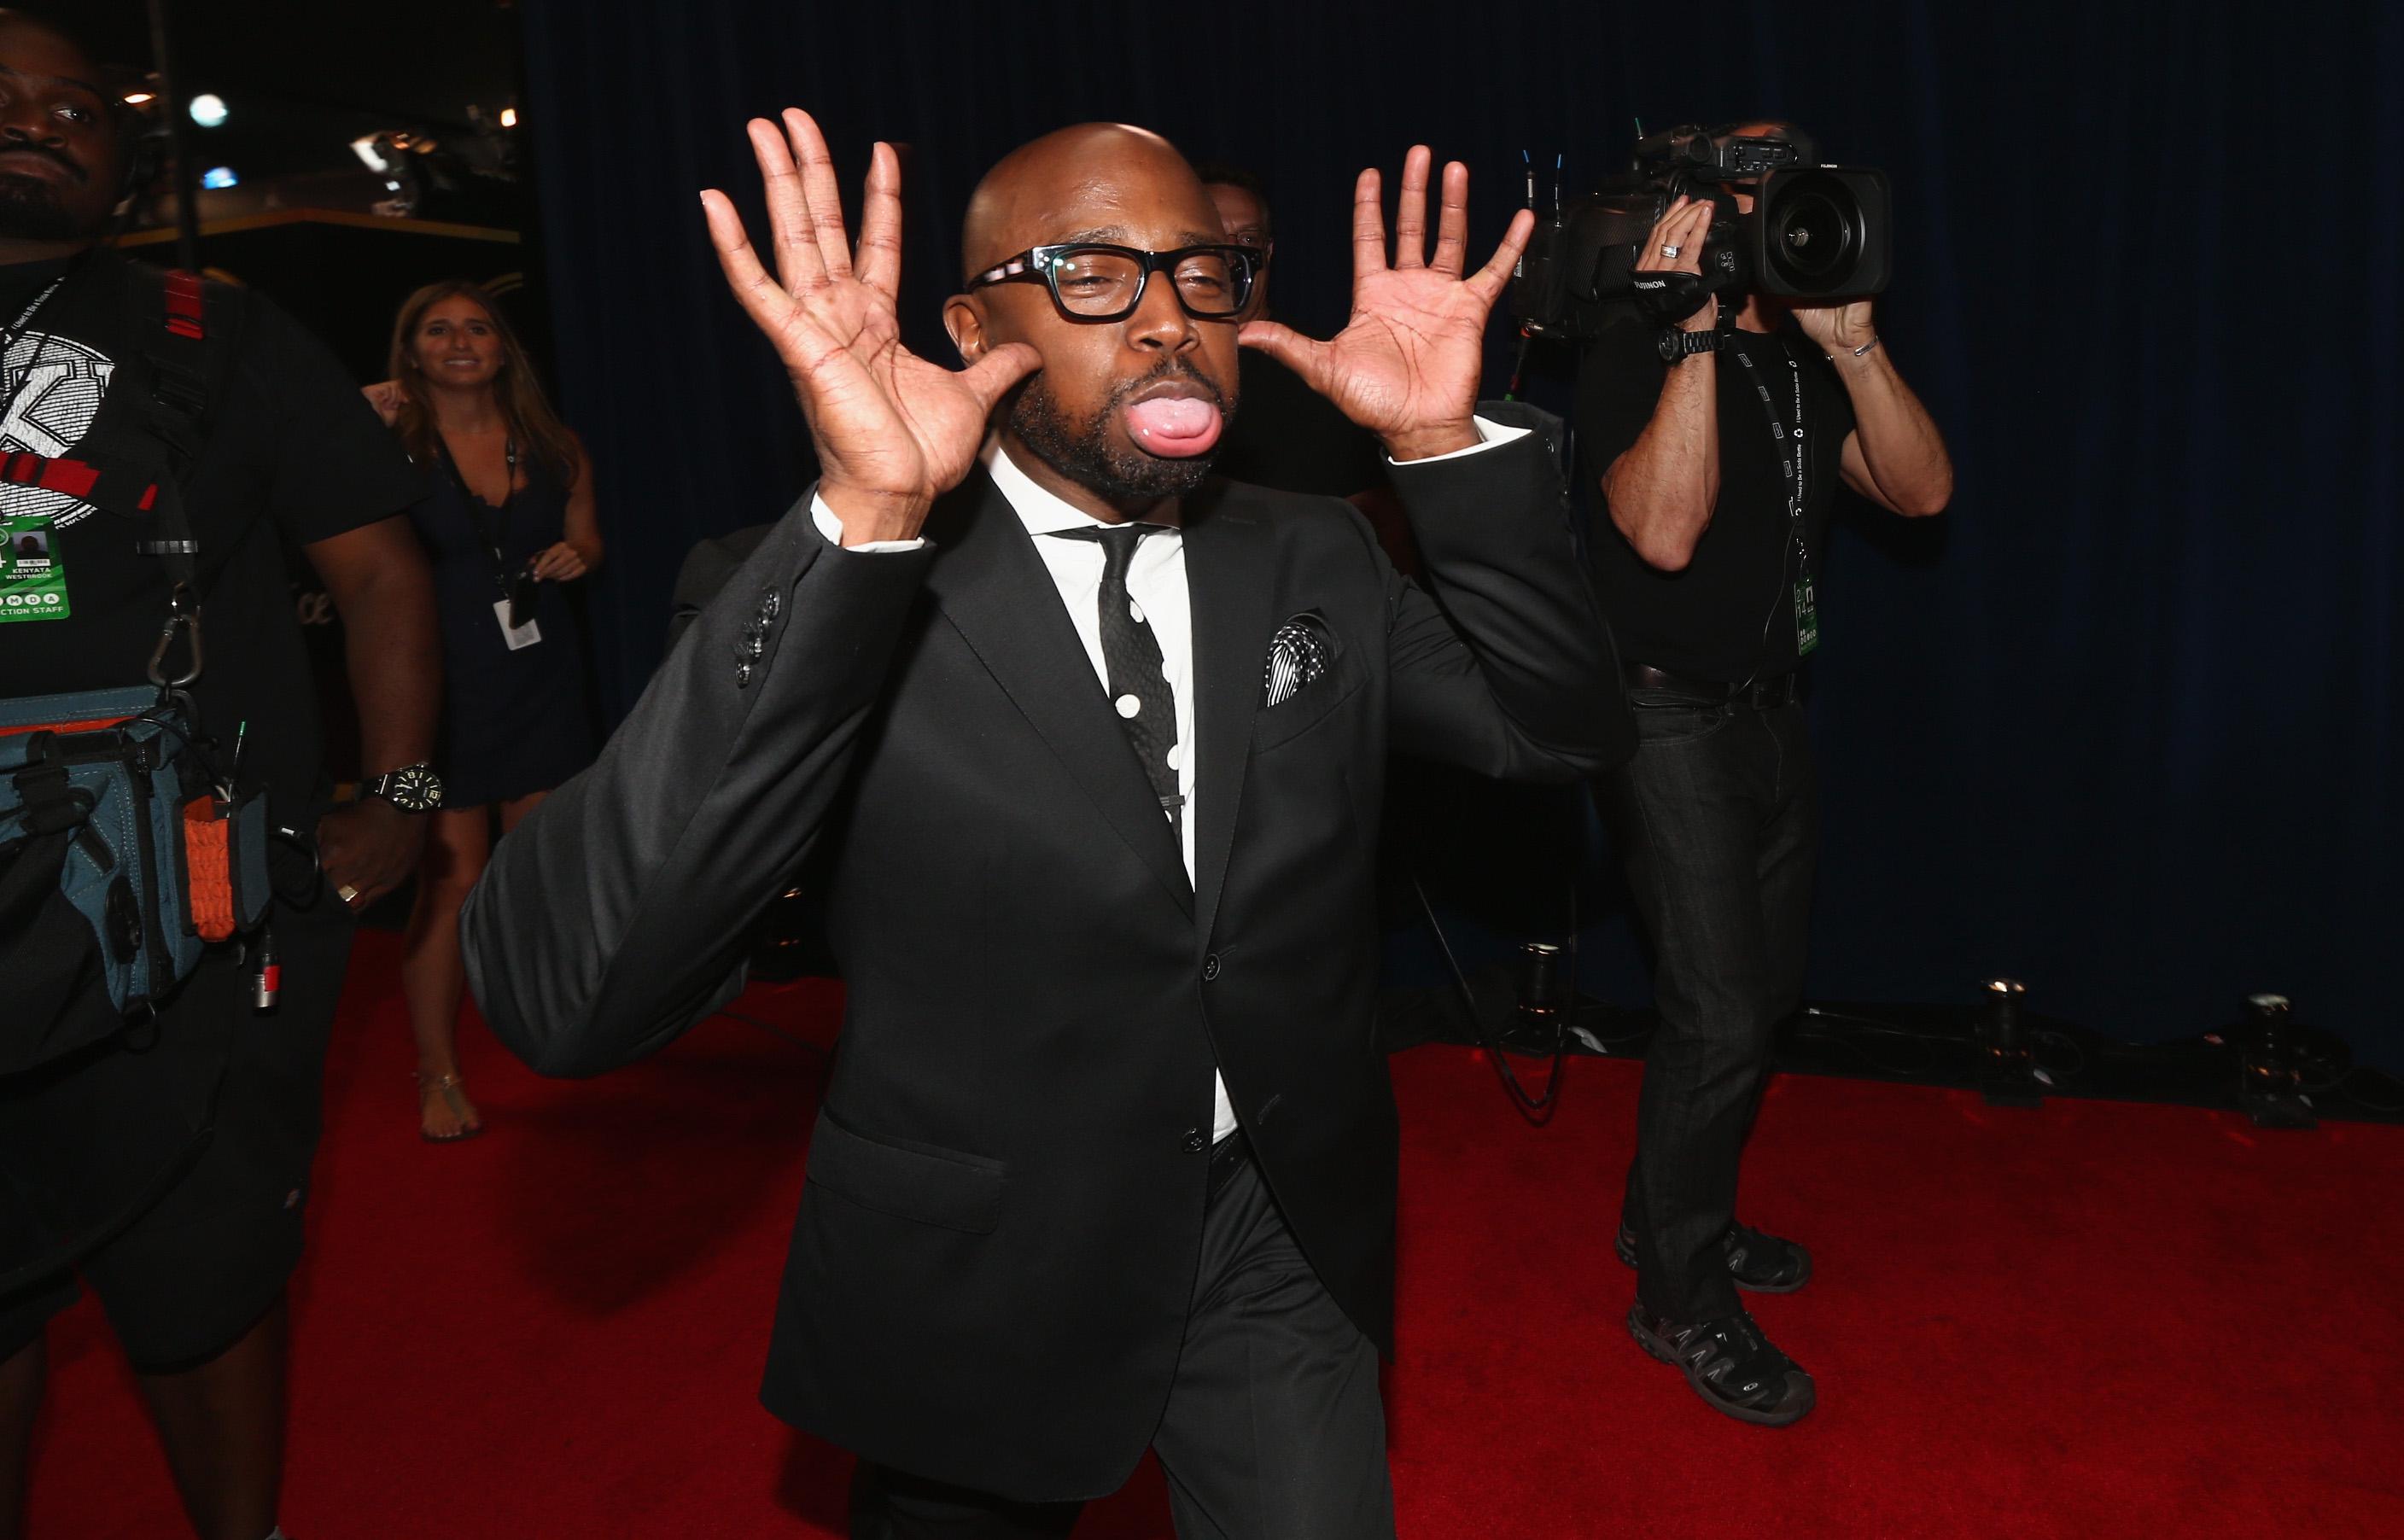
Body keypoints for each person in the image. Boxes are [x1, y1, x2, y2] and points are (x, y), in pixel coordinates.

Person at [463, 110, 1631, 1537]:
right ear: (970, 323)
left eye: (1203, 275)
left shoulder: (1312, 547)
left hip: (1272, 1225)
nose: (1164, 322)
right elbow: (569, 995)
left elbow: (1557, 729)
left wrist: (1444, 445)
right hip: (985, 1267)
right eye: (1093, 270)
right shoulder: (836, 574)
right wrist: (862, 515)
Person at [0, 10, 441, 1539]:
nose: (38, 120)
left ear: (122, 155)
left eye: (73, 105)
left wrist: (396, 797)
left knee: (207, 1276)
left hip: (193, 920)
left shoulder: (220, 332)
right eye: (3, 99)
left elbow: (380, 572)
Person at [1576, 120, 1953, 1426]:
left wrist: (1849, 340)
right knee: (1721, 1016)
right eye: (1746, 183)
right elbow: (1664, 537)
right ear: (1698, 213)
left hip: (1773, 714)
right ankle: (1676, 1298)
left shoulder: (1804, 367)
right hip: (1665, 719)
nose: (1775, 206)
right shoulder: (1628, 352)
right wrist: (1686, 338)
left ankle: (1667, 1219)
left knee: (1759, 997)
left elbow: (1919, 493)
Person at [365, 280, 600, 1141]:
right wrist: (358, 407)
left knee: (529, 868)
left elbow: (590, 536)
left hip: (539, 680)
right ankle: (438, 1068)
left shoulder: (553, 443)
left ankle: (545, 1034)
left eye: (477, 327)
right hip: (429, 690)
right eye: (437, 328)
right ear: (411, 350)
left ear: (504, 348)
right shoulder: (386, 443)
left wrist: (579, 553)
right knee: (451, 877)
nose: (459, 341)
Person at [1191, 160, 1393, 508]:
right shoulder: (1157, 362)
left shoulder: (1322, 368)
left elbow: (1373, 510)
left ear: (1268, 252)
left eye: (1248, 239)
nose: (1232, 253)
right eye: (1213, 236)